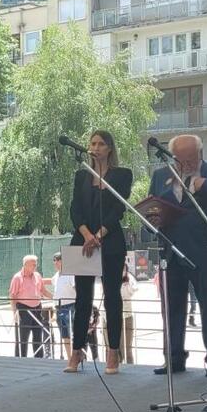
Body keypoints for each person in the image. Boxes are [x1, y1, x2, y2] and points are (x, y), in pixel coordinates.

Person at [149, 134, 207, 377]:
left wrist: (206, 185)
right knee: (171, 310)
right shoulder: (160, 176)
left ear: (200, 154)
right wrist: (153, 220)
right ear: (172, 157)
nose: (186, 164)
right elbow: (150, 211)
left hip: (204, 254)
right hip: (171, 252)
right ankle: (173, 358)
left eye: (191, 159)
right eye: (180, 160)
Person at [64, 131, 132, 376]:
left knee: (112, 297)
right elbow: (75, 208)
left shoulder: (122, 174)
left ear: (110, 148)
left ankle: (113, 351)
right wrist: (86, 234)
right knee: (83, 299)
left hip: (110, 241)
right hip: (82, 241)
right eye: (92, 143)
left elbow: (119, 209)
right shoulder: (82, 175)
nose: (96, 147)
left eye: (101, 144)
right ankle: (77, 350)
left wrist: (99, 235)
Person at [8, 253, 48, 358]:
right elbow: (12, 295)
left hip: (37, 308)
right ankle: (21, 359)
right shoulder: (17, 277)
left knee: (38, 335)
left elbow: (43, 290)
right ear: (25, 265)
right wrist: (14, 312)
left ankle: (39, 359)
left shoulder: (37, 275)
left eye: (36, 264)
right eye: (33, 264)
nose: (35, 266)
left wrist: (56, 298)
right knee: (23, 337)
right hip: (23, 309)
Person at [103, 262, 137, 364]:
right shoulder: (108, 277)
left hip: (126, 316)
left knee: (126, 348)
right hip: (109, 317)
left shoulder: (129, 278)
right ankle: (111, 365)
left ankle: (129, 368)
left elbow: (133, 290)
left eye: (123, 269)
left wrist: (126, 282)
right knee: (110, 348)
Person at [50, 252, 75, 361]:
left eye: (58, 260)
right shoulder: (56, 276)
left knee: (73, 334)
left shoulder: (71, 274)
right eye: (54, 260)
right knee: (64, 335)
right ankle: (69, 359)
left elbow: (77, 288)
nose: (56, 262)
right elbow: (56, 292)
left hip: (70, 307)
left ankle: (76, 358)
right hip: (59, 308)